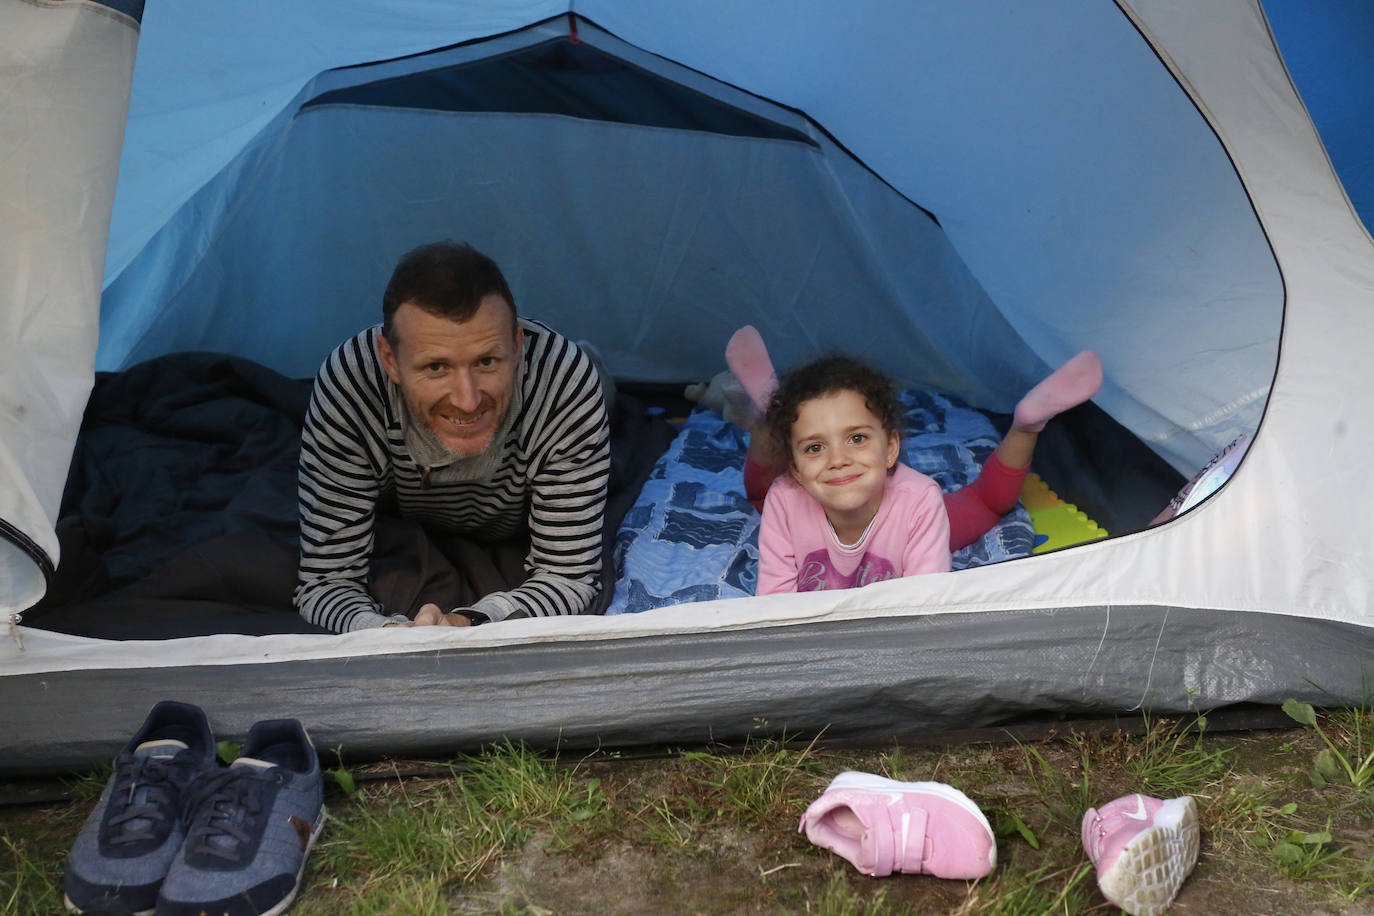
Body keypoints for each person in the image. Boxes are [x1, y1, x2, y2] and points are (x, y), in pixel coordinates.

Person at [294, 241, 611, 632]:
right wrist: (385, 634)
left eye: (486, 361)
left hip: (526, 489)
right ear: (390, 360)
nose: (467, 400)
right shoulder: (351, 384)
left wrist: (468, 622)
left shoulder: (563, 381)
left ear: (517, 344)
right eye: (436, 366)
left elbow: (571, 575)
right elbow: (326, 580)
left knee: (603, 391)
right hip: (407, 504)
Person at [721, 328, 1102, 594]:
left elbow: (924, 603)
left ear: (890, 449)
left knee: (988, 501)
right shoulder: (786, 498)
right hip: (794, 490)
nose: (838, 460)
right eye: (815, 448)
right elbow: (773, 605)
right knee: (762, 495)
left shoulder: (920, 502)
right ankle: (771, 415)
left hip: (908, 515)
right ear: (796, 467)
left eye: (857, 439)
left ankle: (1027, 424)